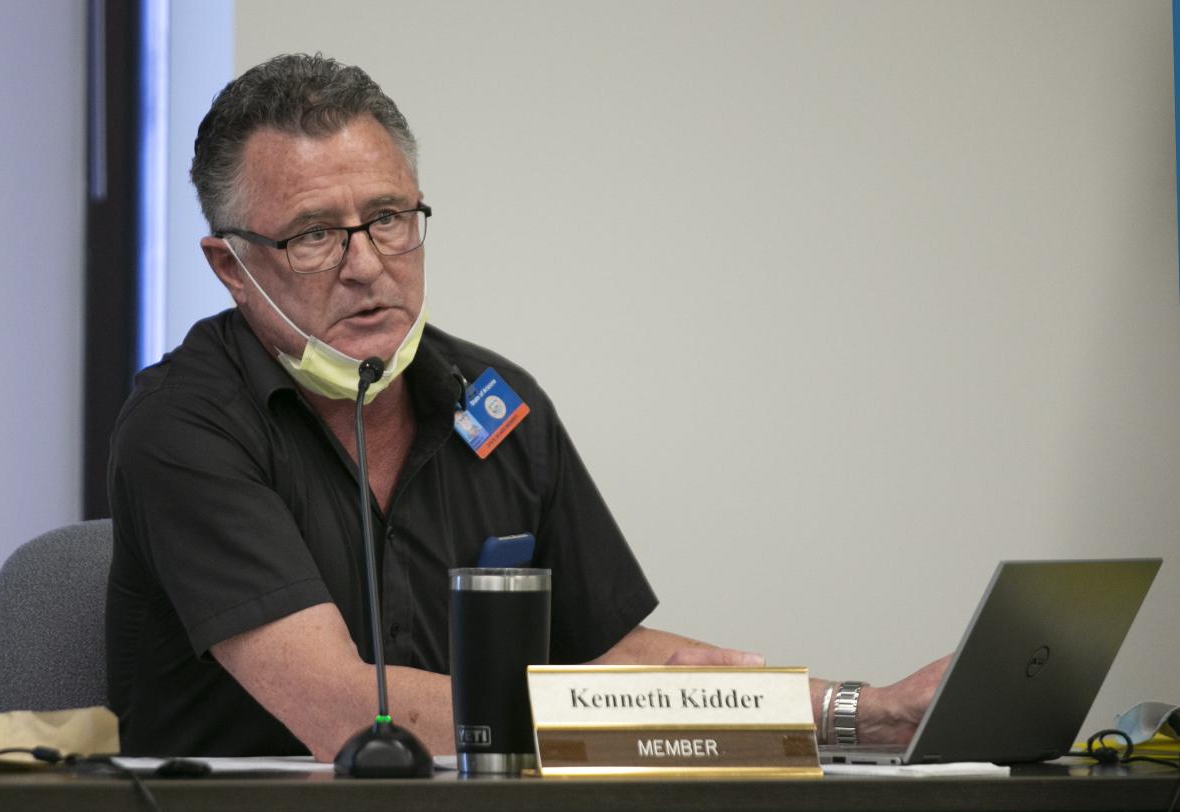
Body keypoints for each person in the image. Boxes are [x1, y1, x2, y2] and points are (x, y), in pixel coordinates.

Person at [106, 54, 945, 760]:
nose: (366, 265)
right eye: (315, 235)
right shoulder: (183, 426)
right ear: (230, 266)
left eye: (390, 218)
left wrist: (867, 713)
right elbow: (347, 712)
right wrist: (630, 714)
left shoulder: (498, 405)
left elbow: (604, 654)